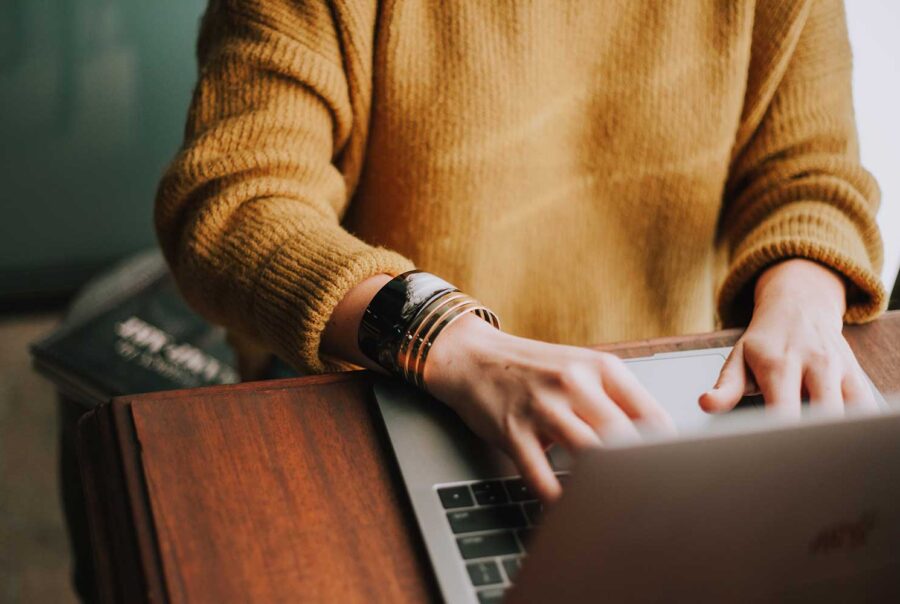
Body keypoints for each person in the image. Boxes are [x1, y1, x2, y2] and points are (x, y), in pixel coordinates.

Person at [156, 0, 887, 502]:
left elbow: (811, 175)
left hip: (662, 409)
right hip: (383, 386)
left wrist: (804, 298)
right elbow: (233, 202)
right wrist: (444, 338)